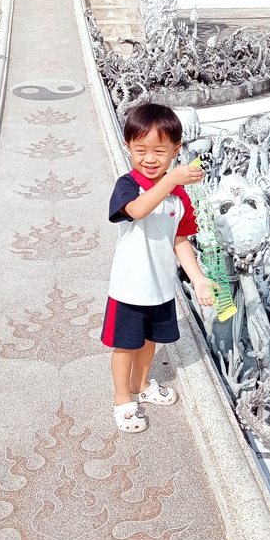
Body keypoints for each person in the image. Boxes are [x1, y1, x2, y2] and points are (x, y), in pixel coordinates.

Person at [101, 103, 214, 433]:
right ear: (128, 147)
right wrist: (172, 179)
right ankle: (122, 400)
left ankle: (141, 385)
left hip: (161, 287)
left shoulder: (179, 197)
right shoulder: (128, 185)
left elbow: (180, 241)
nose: (149, 159)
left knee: (150, 340)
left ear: (176, 150)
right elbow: (137, 210)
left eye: (159, 151)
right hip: (129, 287)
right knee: (125, 345)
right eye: (141, 150)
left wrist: (199, 279)